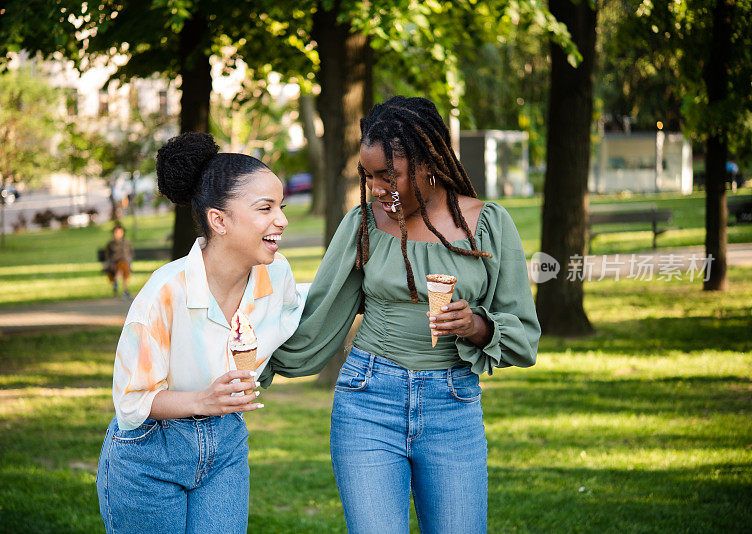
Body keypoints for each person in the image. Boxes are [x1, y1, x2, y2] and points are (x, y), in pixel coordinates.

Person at [261, 96, 540, 533]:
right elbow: (320, 316)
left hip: (453, 405)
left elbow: (523, 333)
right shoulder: (363, 225)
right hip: (368, 399)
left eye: (388, 175)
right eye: (367, 176)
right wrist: (248, 361)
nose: (375, 187)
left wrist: (476, 326)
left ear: (428, 163)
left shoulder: (488, 225)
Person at [96, 132, 305, 533]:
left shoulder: (277, 276)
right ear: (219, 220)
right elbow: (131, 401)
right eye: (266, 208)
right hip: (149, 453)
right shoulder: (164, 292)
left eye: (280, 206)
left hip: (225, 446)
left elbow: (304, 308)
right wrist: (204, 399)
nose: (281, 219)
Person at [103, 222, 133, 298]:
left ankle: (117, 279)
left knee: (123, 264)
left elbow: (130, 254)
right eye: (116, 232)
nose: (118, 234)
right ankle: (125, 289)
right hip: (114, 264)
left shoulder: (126, 242)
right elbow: (107, 256)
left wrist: (129, 262)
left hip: (125, 263)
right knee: (122, 265)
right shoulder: (111, 244)